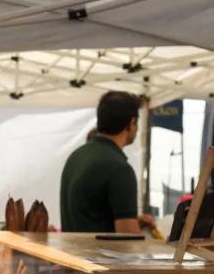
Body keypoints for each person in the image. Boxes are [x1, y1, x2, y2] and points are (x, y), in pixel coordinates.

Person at [60, 91, 155, 234]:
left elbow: (89, 217)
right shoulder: (119, 169)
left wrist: (131, 221)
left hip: (69, 255)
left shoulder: (75, 157)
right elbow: (126, 239)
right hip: (96, 256)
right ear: (131, 123)